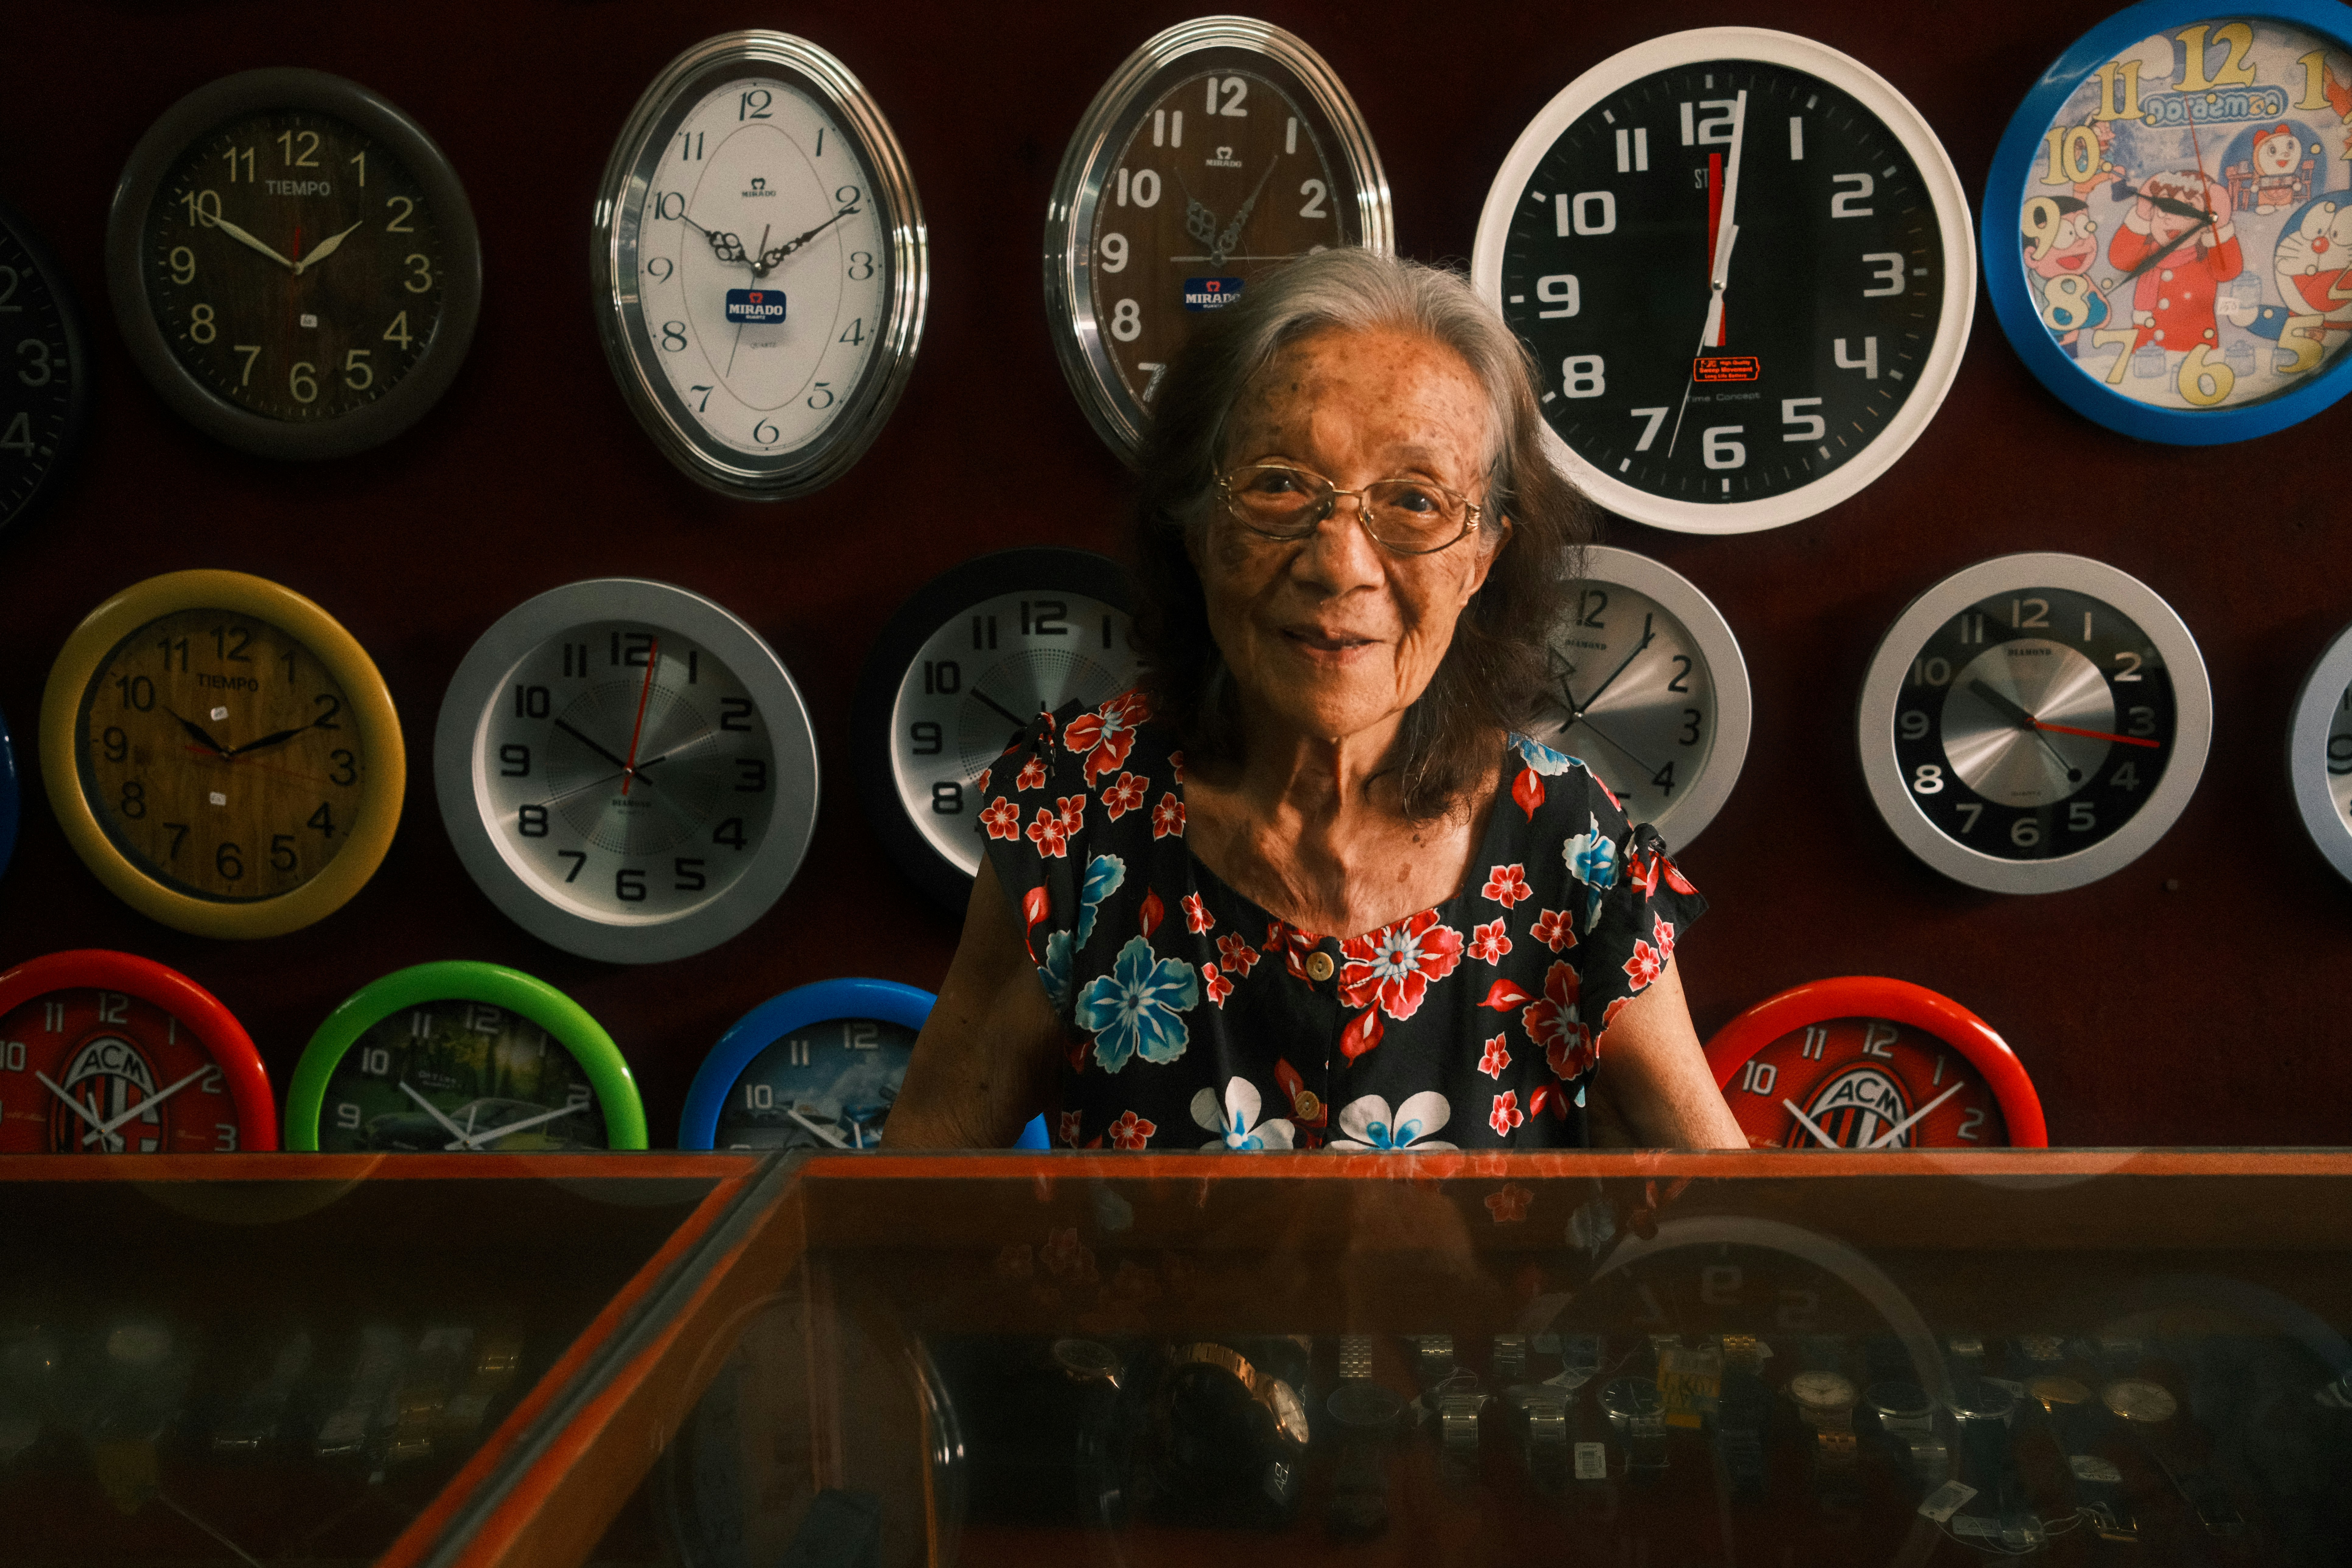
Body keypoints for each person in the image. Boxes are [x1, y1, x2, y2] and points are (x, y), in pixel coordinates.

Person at [884, 248, 1745, 1153]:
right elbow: (921, 1188)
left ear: (1484, 557)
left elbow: (1715, 1199)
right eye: (1280, 484)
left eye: (1415, 501)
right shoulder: (1079, 809)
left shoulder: (1568, 847)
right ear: (1199, 521)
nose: (1339, 565)